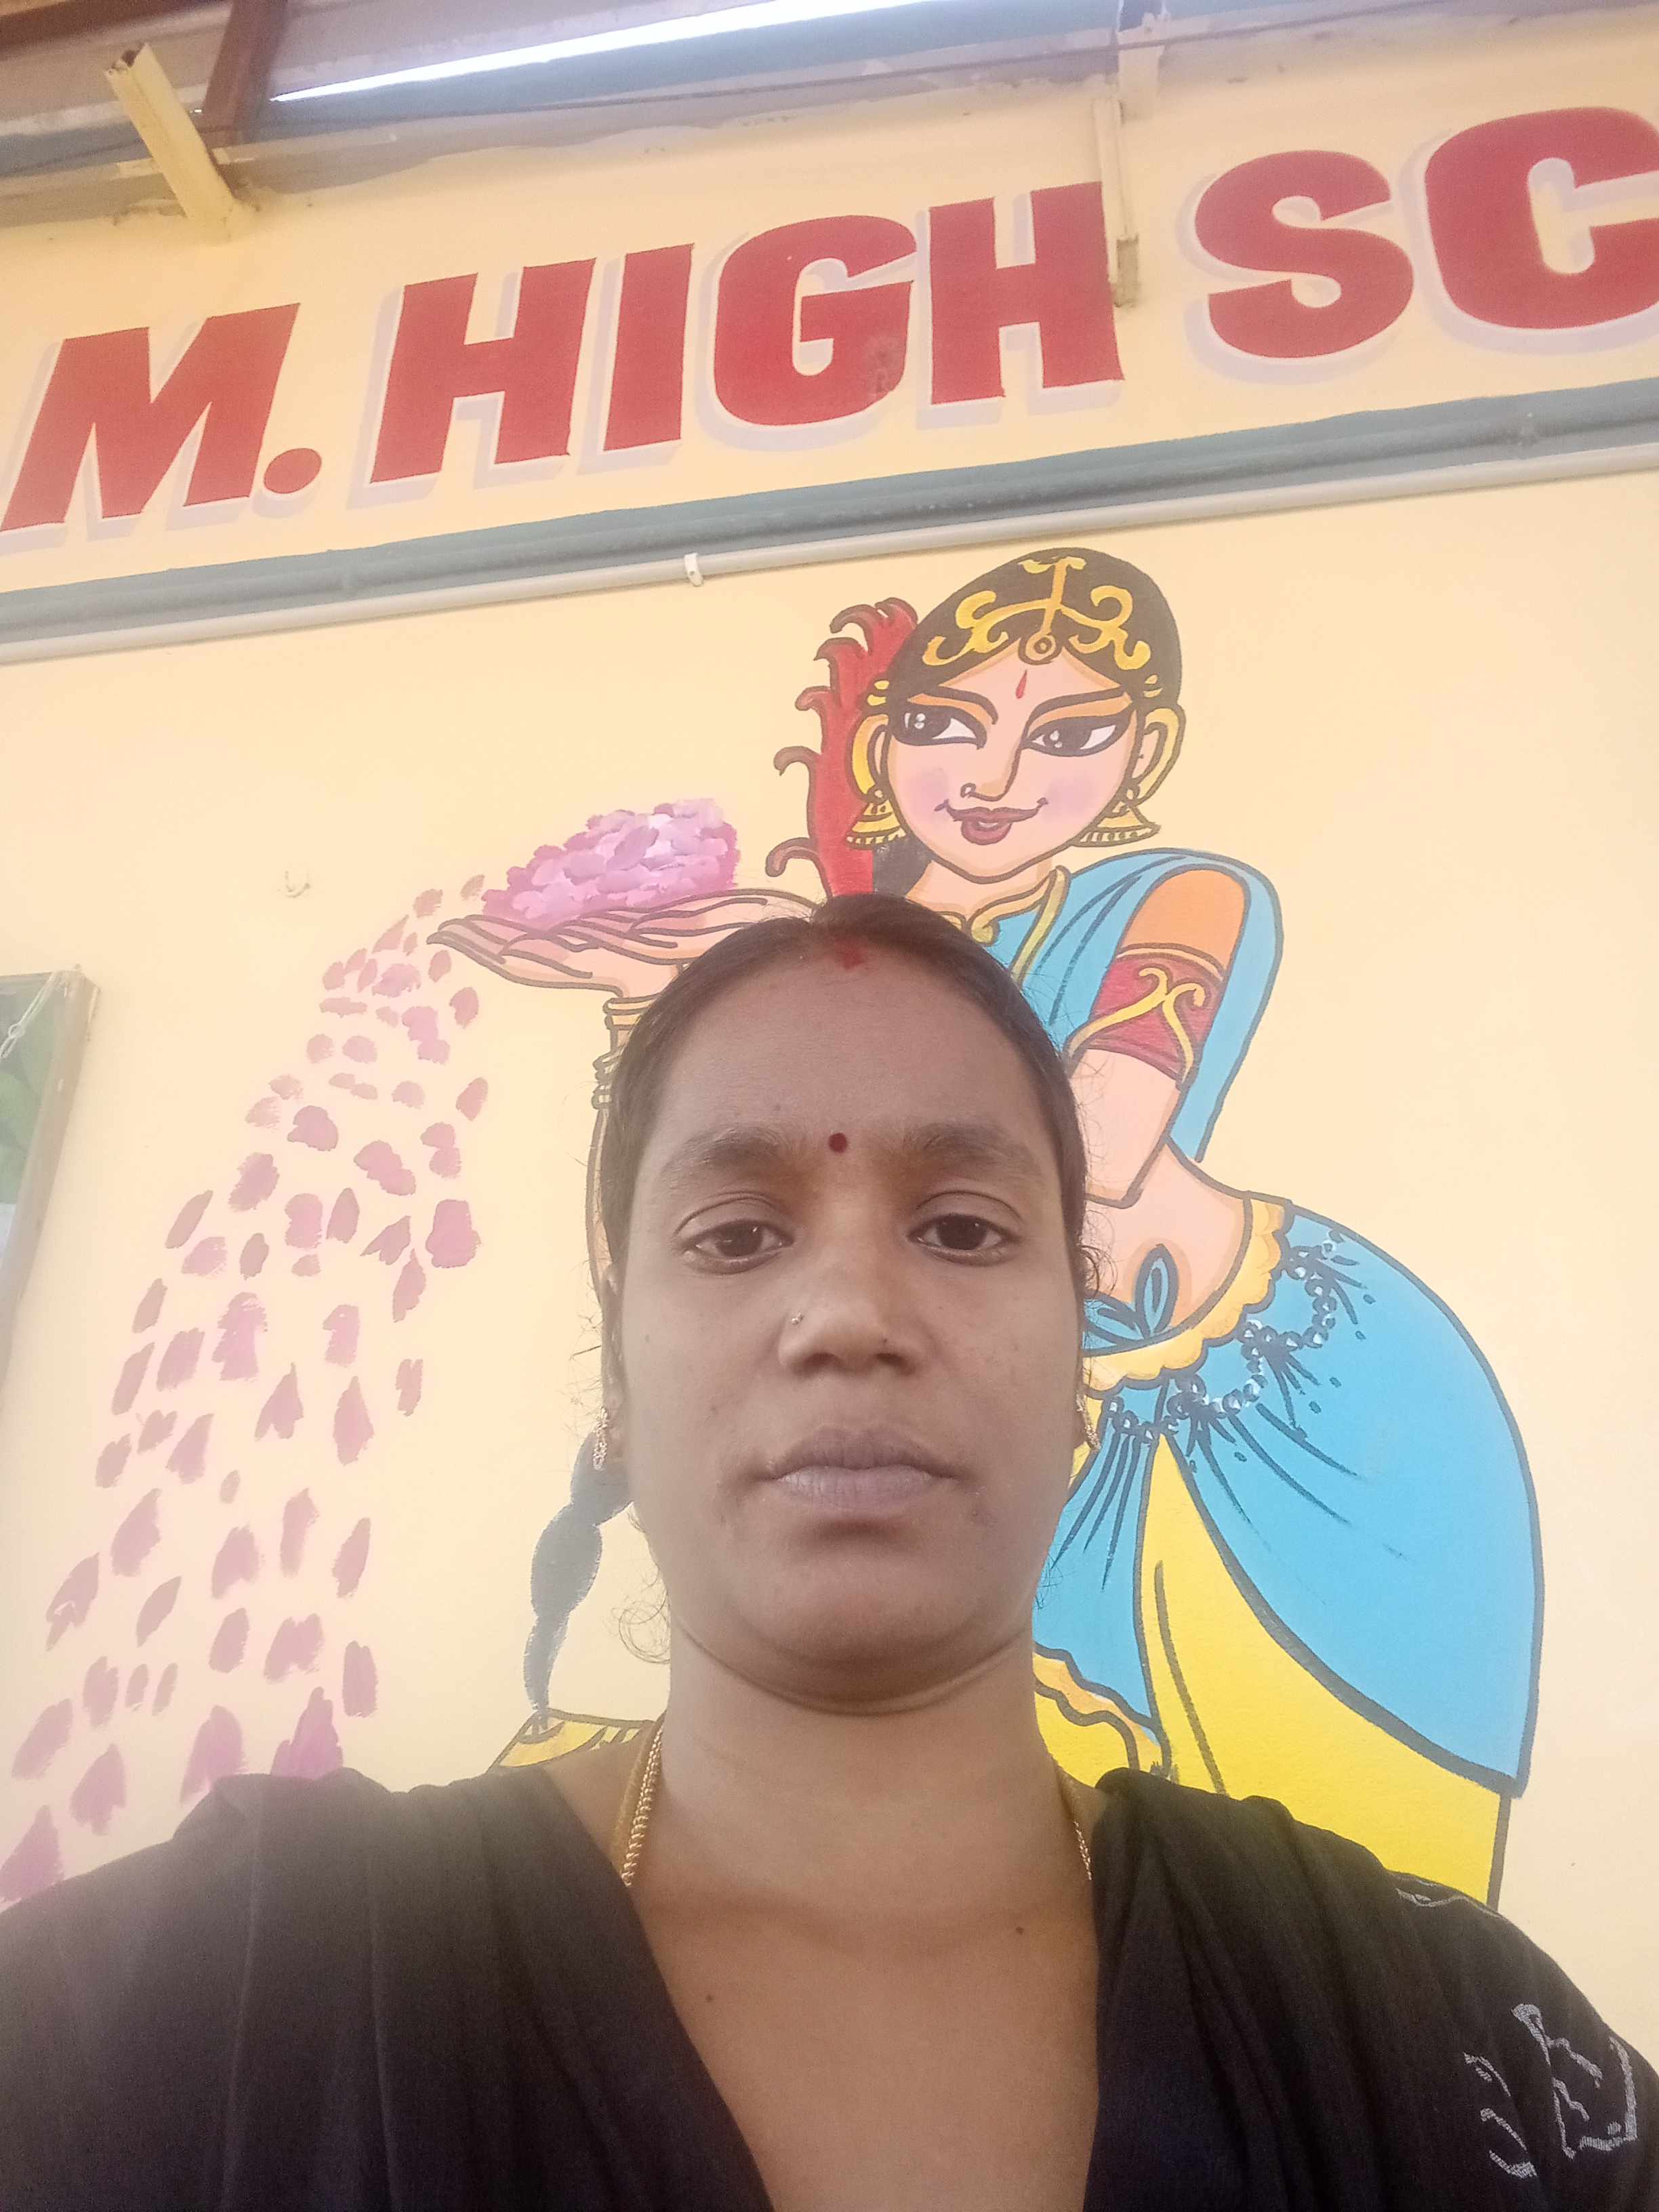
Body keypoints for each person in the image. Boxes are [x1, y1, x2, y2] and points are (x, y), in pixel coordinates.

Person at [0, 895, 1649, 2211]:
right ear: (617, 1391)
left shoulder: (1441, 2038)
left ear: (1080, 1371)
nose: (852, 1313)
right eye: (735, 1235)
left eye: (965, 1228)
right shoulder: (226, 2000)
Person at [440, 548, 1538, 1904]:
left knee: (1299, 1898)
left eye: (1066, 734)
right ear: (882, 745)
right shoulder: (335, 1935)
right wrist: (665, 1019)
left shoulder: (1183, 902)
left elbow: (1100, 1157)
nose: (997, 776)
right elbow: (647, 1230)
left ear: (1148, 752)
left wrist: (770, 962)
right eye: (946, 724)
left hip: (1283, 1418)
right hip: (1063, 1409)